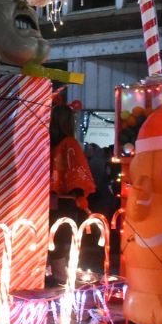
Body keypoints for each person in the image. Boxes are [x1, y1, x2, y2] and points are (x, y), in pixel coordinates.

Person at [48, 101, 96, 283]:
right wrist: (79, 192)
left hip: (46, 198)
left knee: (52, 236)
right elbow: (76, 169)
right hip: (67, 199)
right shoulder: (70, 143)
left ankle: (53, 270)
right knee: (64, 236)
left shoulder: (46, 142)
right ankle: (61, 273)